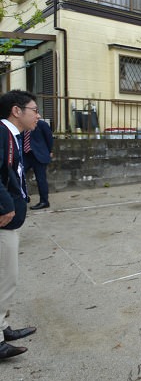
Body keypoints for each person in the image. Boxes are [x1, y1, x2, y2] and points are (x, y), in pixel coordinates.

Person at [0, 90, 40, 359]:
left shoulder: (11, 135)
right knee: (5, 277)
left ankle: (2, 327)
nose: (37, 115)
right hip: (4, 218)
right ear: (17, 110)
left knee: (7, 277)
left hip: (10, 218)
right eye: (34, 109)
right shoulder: (2, 134)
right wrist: (6, 205)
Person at [23, 118, 54, 210]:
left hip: (39, 155)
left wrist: (50, 150)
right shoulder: (23, 124)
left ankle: (44, 201)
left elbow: (49, 137)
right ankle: (24, 196)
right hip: (26, 155)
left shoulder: (41, 124)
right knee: (18, 175)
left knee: (41, 179)